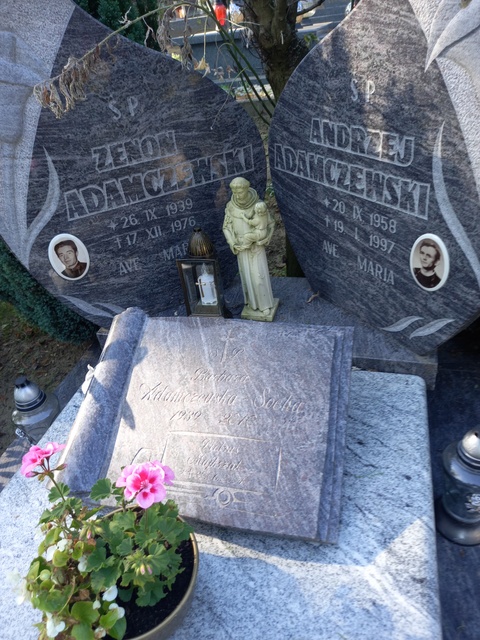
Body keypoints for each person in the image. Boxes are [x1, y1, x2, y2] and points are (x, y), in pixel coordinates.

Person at [223, 177, 278, 320]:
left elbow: (271, 224)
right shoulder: (230, 206)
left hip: (256, 247)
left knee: (258, 276)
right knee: (247, 277)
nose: (237, 195)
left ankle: (264, 305)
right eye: (234, 192)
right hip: (241, 248)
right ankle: (253, 304)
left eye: (240, 192)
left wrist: (267, 238)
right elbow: (226, 227)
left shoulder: (258, 205)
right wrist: (232, 242)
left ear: (247, 189)